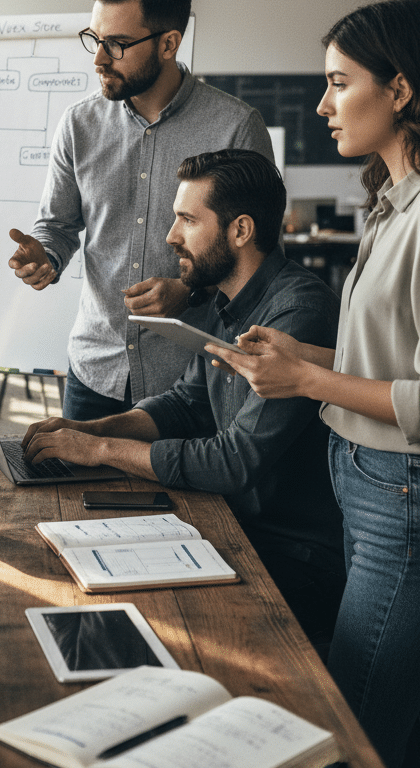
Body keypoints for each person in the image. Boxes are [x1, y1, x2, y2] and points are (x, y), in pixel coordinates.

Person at [205, 0, 420, 768]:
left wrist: (310, 377)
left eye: (338, 83)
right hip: (371, 484)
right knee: (418, 734)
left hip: (414, 497)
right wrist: (304, 354)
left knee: (350, 736)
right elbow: (397, 359)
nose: (321, 105)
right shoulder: (392, 204)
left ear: (401, 91)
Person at [22, 148, 344, 648]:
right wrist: (90, 429)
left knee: (129, 621)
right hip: (233, 527)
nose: (171, 236)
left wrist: (102, 452)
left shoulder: (297, 311)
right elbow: (183, 405)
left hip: (289, 557)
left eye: (188, 220)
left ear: (240, 231)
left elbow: (234, 461)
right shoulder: (223, 297)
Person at [7, 0, 274, 419]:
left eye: (117, 44)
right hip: (94, 371)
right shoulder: (79, 124)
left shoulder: (235, 128)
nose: (98, 59)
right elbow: (58, 225)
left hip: (195, 381)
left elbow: (262, 261)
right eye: (94, 39)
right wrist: (45, 257)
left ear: (169, 43)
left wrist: (190, 292)